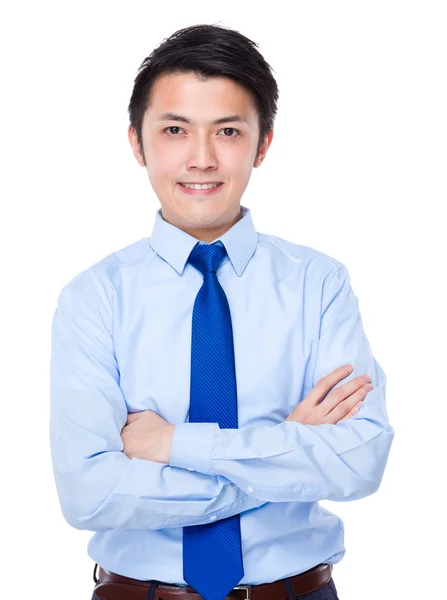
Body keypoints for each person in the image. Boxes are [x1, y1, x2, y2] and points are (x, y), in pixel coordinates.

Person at [49, 23, 395, 600]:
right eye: (176, 130)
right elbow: (90, 493)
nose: (202, 158)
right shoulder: (94, 298)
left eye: (228, 131)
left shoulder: (319, 285)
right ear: (138, 142)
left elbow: (359, 463)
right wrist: (285, 449)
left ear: (263, 144)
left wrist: (177, 445)